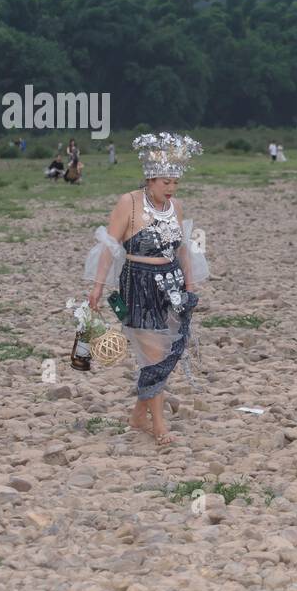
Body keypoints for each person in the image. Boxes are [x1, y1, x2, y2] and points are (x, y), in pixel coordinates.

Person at [85, 132, 207, 447]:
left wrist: (190, 286)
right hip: (137, 284)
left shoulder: (176, 207)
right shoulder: (129, 202)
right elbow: (110, 246)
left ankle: (139, 415)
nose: (171, 189)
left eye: (175, 183)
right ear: (150, 180)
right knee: (153, 354)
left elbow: (182, 249)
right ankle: (159, 425)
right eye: (165, 182)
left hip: (172, 286)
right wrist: (98, 287)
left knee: (168, 351)